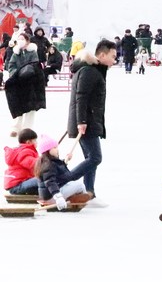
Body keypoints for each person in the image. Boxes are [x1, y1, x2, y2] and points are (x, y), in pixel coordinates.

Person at [66, 39, 117, 203]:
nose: (114, 61)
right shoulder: (89, 71)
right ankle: (65, 179)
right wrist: (81, 121)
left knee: (91, 158)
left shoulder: (95, 70)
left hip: (90, 121)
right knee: (95, 157)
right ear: (102, 55)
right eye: (112, 56)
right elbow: (81, 97)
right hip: (86, 122)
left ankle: (89, 193)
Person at [4, 33, 46, 137]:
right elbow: (11, 65)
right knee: (18, 105)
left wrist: (26, 73)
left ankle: (27, 129)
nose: (20, 41)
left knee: (30, 107)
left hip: (30, 83)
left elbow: (35, 66)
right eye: (18, 39)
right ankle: (15, 128)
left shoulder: (32, 52)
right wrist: (16, 74)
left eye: (22, 39)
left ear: (27, 40)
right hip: (18, 83)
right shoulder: (15, 53)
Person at [34, 134, 91, 210]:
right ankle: (77, 199)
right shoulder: (49, 165)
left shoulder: (48, 162)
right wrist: (58, 197)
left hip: (51, 193)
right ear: (47, 151)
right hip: (52, 196)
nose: (57, 149)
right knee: (80, 185)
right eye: (54, 148)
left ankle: (75, 197)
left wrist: (66, 160)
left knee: (73, 184)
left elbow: (59, 170)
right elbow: (50, 182)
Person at [4, 128, 40, 195]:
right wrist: (45, 161)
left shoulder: (22, 150)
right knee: (43, 180)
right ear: (28, 142)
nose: (37, 142)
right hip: (17, 186)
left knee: (43, 179)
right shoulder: (24, 152)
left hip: (20, 184)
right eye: (35, 140)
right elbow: (32, 163)